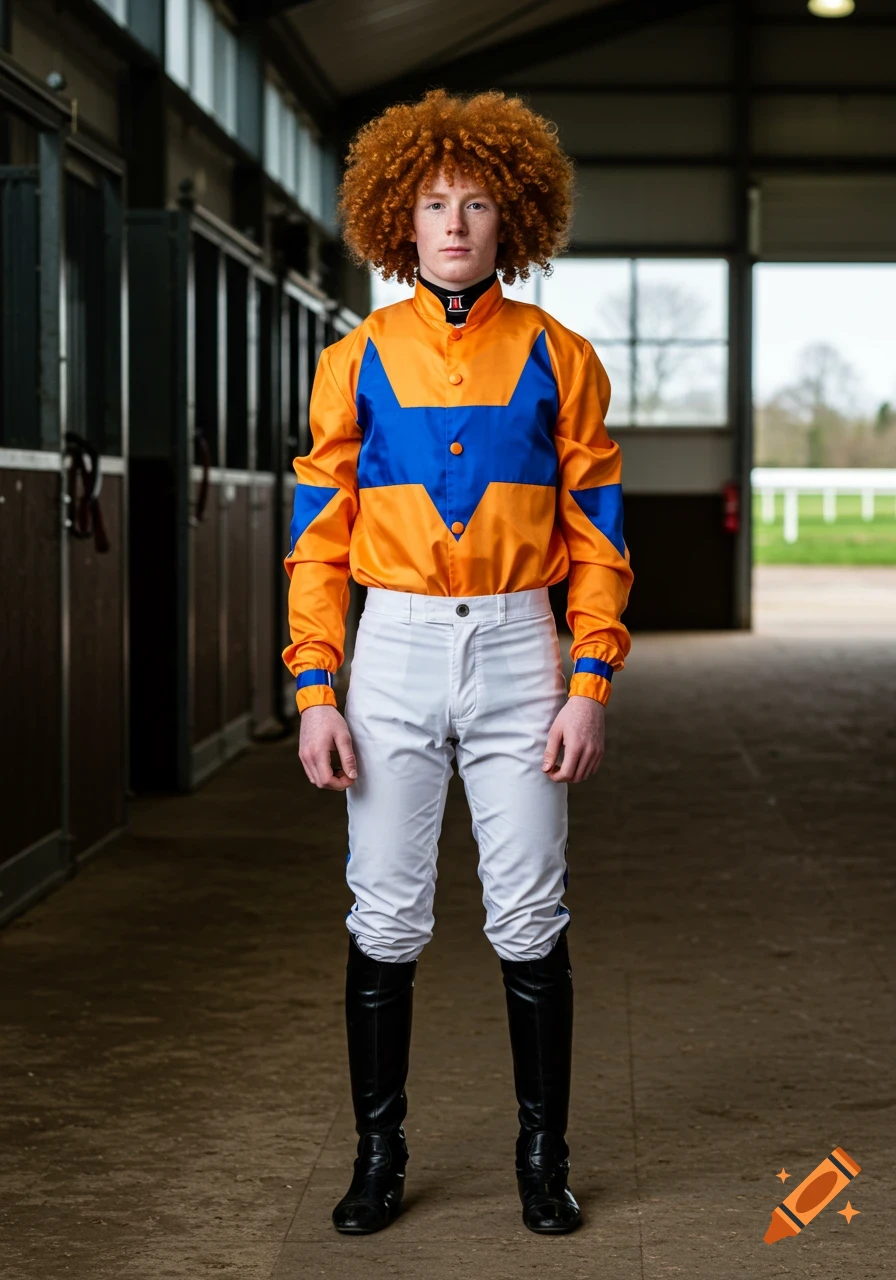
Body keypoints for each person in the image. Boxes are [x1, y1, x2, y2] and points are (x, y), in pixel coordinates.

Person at [282, 87, 633, 1238]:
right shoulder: (352, 361)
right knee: (384, 914)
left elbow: (597, 534)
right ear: (399, 216)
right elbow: (319, 541)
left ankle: (544, 1155)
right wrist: (313, 688)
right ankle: (377, 1156)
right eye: (432, 202)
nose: (452, 223)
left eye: (476, 203)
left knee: (528, 908)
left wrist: (588, 681)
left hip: (521, 648)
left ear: (511, 218)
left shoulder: (560, 357)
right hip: (390, 649)